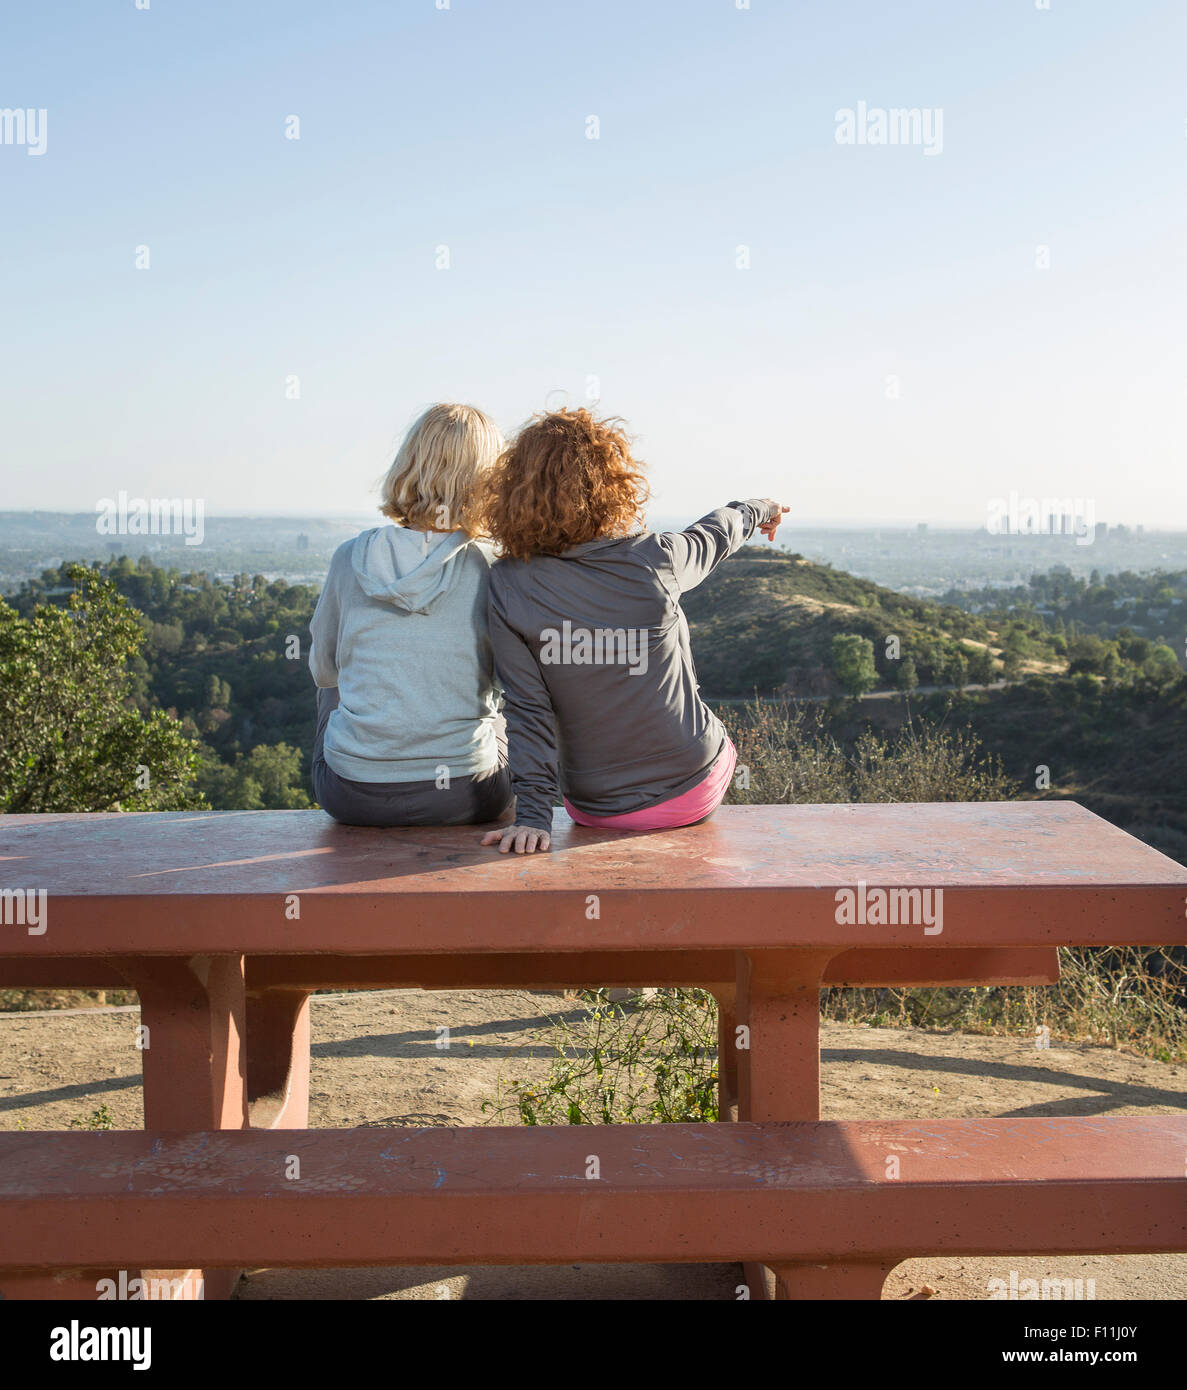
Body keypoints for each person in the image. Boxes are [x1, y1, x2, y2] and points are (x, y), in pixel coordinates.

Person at [479, 407, 786, 853]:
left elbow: (528, 710)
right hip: (693, 789)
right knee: (669, 619)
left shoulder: (507, 583)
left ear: (515, 492)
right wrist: (759, 509)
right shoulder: (656, 558)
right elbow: (715, 534)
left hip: (595, 806)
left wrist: (533, 818)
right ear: (612, 485)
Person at [308, 402, 513, 826]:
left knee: (333, 687)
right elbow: (513, 680)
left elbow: (323, 671)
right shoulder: (493, 567)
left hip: (351, 795)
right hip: (469, 794)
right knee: (499, 711)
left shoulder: (350, 558)